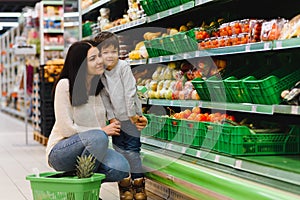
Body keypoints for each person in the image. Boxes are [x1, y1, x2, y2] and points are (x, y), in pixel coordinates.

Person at [46, 40, 147, 198]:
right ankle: (86, 195)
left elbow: (123, 102)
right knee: (99, 137)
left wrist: (138, 117)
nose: (100, 60)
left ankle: (82, 185)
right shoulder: (65, 86)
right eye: (92, 59)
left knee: (121, 167)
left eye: (99, 56)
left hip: (93, 150)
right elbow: (66, 129)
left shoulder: (99, 88)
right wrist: (101, 131)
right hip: (62, 151)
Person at [94, 31, 147, 200]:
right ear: (99, 54)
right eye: (106, 52)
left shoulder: (123, 67)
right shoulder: (101, 74)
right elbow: (105, 98)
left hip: (131, 118)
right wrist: (111, 117)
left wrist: (132, 115)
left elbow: (130, 92)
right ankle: (124, 186)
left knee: (132, 151)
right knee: (119, 152)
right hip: (117, 120)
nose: (110, 56)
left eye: (113, 51)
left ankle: (139, 185)